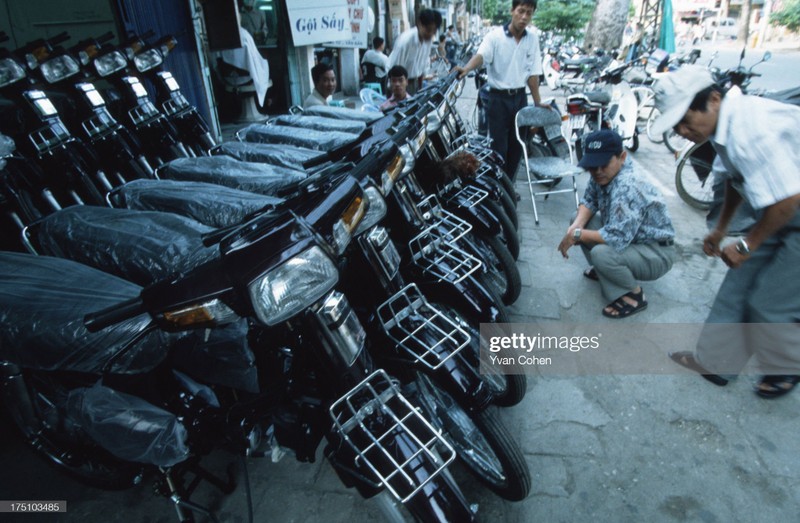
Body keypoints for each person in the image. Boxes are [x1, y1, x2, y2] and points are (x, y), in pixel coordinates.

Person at [649, 65, 800, 398]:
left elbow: (789, 200)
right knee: (736, 288)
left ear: (714, 99)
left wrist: (747, 244)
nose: (685, 131)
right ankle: (717, 362)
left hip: (789, 203)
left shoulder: (752, 128)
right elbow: (734, 180)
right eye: (678, 126)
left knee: (771, 303)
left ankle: (787, 366)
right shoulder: (721, 127)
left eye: (687, 120)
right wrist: (721, 229)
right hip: (778, 206)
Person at [557, 129, 676, 319]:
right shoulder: (604, 172)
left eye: (603, 165)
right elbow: (589, 201)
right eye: (592, 166)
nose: (597, 171)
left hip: (656, 252)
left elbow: (615, 237)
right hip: (632, 240)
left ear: (622, 157)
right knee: (577, 219)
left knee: (602, 253)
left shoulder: (628, 184)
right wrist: (575, 228)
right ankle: (607, 272)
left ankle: (633, 295)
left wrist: (577, 235)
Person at [455, 0, 543, 179]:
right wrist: (466, 69)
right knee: (498, 149)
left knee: (517, 148)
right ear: (512, 11)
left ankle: (508, 188)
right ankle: (498, 188)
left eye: (529, 13)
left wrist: (538, 104)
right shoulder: (494, 37)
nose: (524, 17)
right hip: (498, 100)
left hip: (520, 99)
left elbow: (533, 75)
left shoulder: (532, 39)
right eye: (521, 11)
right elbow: (481, 56)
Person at [388, 8, 443, 95]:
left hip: (415, 83)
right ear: (419, 24)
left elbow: (422, 67)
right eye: (428, 30)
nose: (431, 34)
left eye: (434, 31)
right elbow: (393, 72)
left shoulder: (427, 40)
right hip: (398, 85)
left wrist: (420, 87)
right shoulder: (405, 42)